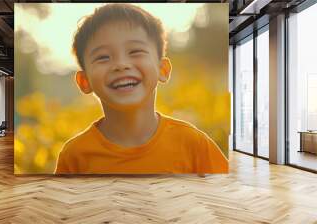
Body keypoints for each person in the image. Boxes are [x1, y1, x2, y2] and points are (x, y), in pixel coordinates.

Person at [54, 3, 228, 174]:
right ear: (85, 82)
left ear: (163, 70)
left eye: (135, 51)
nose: (121, 65)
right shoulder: (75, 157)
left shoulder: (193, 145)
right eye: (103, 57)